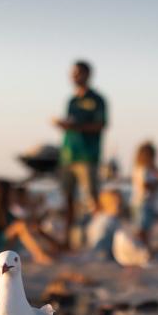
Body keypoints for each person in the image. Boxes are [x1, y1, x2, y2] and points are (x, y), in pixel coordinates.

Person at [52, 60, 108, 250]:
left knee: (93, 199)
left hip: (88, 156)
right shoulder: (71, 101)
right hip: (68, 155)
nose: (74, 77)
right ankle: (68, 241)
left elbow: (101, 125)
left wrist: (75, 126)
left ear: (87, 75)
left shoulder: (97, 99)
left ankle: (99, 241)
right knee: (68, 198)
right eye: (73, 73)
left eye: (78, 73)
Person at [0, 179, 58, 264]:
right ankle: (39, 255)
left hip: (5, 245)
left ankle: (59, 246)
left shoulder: (6, 212)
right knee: (20, 226)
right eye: (12, 193)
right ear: (4, 194)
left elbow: (29, 223)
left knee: (31, 226)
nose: (14, 195)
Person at [131, 141, 158, 249]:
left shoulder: (149, 169)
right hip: (142, 203)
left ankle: (144, 247)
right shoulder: (142, 169)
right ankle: (140, 248)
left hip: (148, 203)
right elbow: (145, 185)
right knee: (142, 229)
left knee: (147, 228)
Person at [86, 189, 123, 260]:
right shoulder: (108, 220)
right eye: (114, 203)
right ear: (105, 205)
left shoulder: (100, 218)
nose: (118, 206)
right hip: (104, 253)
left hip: (99, 252)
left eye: (120, 203)